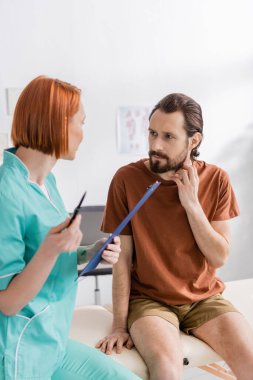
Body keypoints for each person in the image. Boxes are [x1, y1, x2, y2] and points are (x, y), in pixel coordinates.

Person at [96, 93, 253, 380]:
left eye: (168, 137)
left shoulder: (217, 179)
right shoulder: (126, 180)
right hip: (150, 301)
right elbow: (122, 259)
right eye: (153, 133)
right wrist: (119, 324)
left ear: (193, 141)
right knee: (166, 371)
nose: (155, 145)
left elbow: (219, 255)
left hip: (204, 298)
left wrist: (192, 204)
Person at [0, 76, 140, 380]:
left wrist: (88, 253)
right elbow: (7, 302)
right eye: (81, 122)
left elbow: (46, 250)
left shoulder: (45, 182)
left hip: (53, 341)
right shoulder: (5, 193)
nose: (82, 134)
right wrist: (51, 251)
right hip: (20, 352)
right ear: (57, 123)